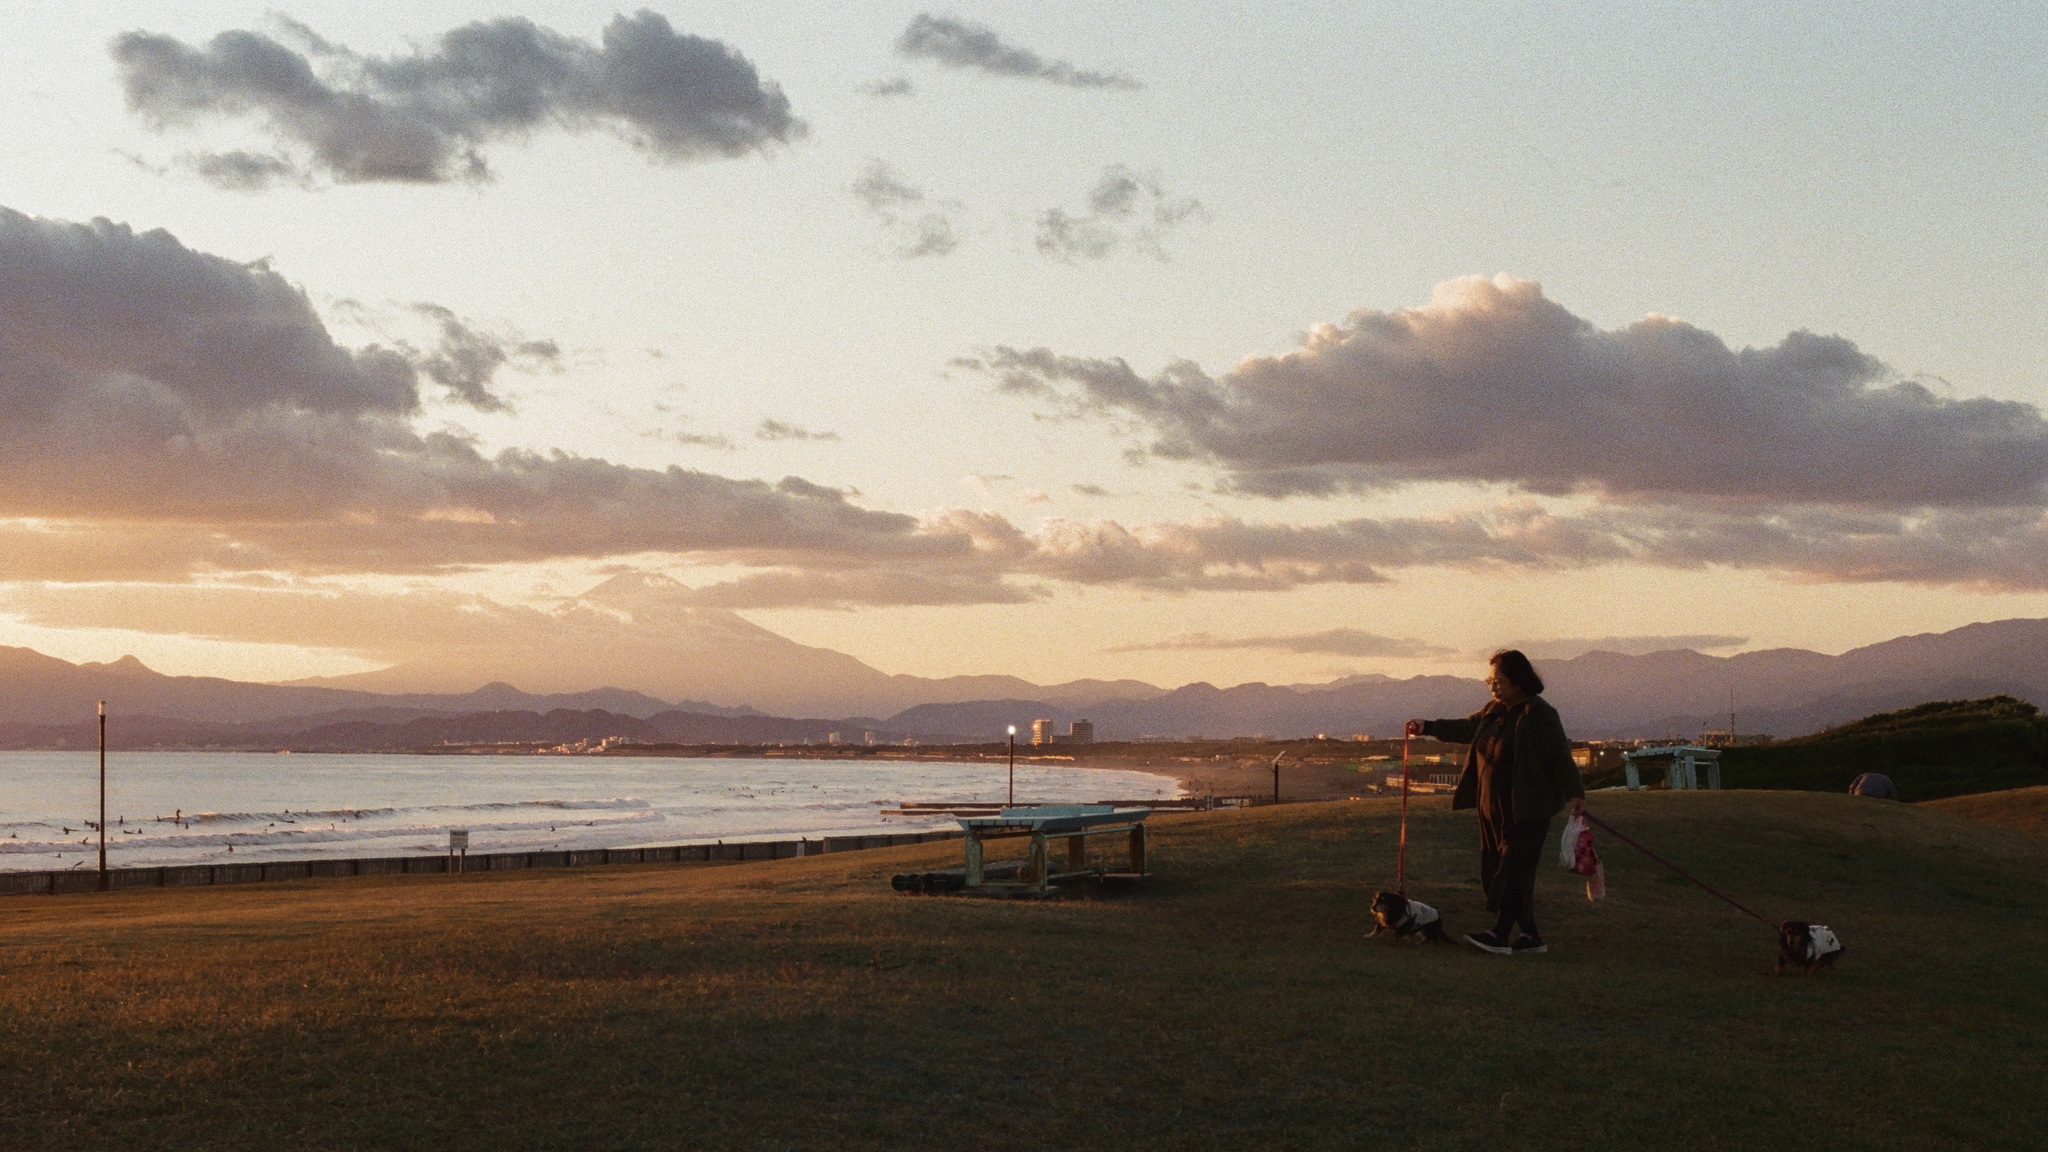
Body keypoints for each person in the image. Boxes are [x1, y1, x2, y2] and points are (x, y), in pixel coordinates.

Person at [1406, 649, 1586, 956]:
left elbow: (1560, 756)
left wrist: (1576, 793)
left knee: (1511, 871)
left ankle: (1500, 934)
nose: (1492, 686)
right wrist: (1429, 727)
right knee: (1503, 871)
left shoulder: (1540, 714)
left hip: (1527, 811)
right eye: (1490, 681)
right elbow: (1467, 728)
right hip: (1491, 810)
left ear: (1518, 681)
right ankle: (1530, 937)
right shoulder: (1493, 710)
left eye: (1498, 681)